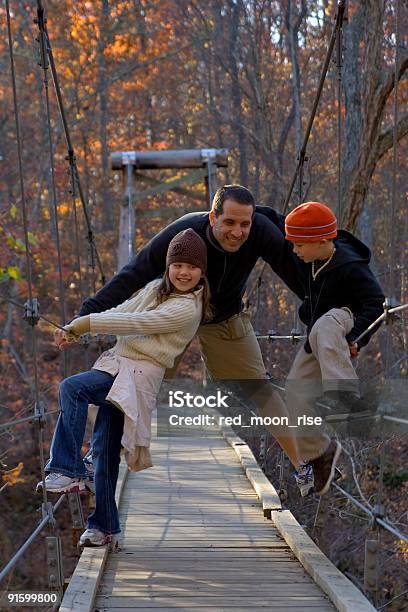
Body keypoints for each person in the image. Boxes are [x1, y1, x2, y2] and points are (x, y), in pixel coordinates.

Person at [53, 185, 351, 496]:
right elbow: (133, 274)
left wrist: (335, 326)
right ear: (212, 217)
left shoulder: (260, 230)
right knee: (128, 376)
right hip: (174, 316)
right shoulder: (183, 234)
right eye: (230, 223)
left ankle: (309, 460)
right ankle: (95, 459)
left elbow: (301, 279)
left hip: (224, 319)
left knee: (258, 389)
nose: (237, 232)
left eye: (244, 224)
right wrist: (82, 318)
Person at [38, 229, 211, 546]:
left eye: (193, 267)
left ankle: (68, 468)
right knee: (104, 451)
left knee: (73, 389)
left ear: (202, 272)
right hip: (117, 366)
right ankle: (104, 527)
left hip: (138, 375)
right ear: (168, 266)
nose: (185, 272)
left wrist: (87, 323)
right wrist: (82, 326)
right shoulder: (153, 289)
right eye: (178, 265)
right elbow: (123, 312)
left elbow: (139, 323)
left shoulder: (187, 307)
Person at [266, 201, 384, 496]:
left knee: (327, 324)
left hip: (345, 321)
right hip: (318, 335)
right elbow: (280, 222)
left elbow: (376, 305)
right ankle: (320, 451)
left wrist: (357, 337)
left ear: (322, 241)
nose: (294, 251)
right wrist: (254, 211)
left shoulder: (350, 266)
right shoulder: (311, 256)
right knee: (295, 391)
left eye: (299, 246)